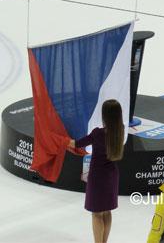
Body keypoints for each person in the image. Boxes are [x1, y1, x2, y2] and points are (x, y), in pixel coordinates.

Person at [68, 99, 125, 243]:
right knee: (106, 211)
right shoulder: (120, 130)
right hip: (111, 175)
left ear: (104, 115)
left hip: (98, 176)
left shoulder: (98, 134)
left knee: (96, 213)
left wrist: (59, 138)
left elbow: (76, 144)